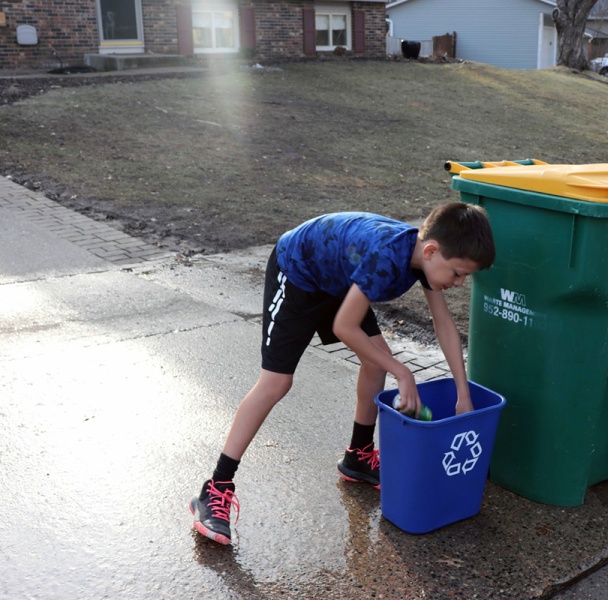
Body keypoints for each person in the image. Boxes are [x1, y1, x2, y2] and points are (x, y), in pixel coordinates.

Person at [189, 202, 496, 545]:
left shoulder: (423, 259)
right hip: (299, 274)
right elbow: (344, 326)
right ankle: (215, 487)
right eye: (457, 273)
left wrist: (462, 394)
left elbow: (444, 324)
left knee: (377, 359)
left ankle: (357, 456)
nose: (459, 282)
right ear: (431, 250)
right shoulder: (387, 259)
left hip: (341, 278)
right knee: (276, 382)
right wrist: (403, 373)